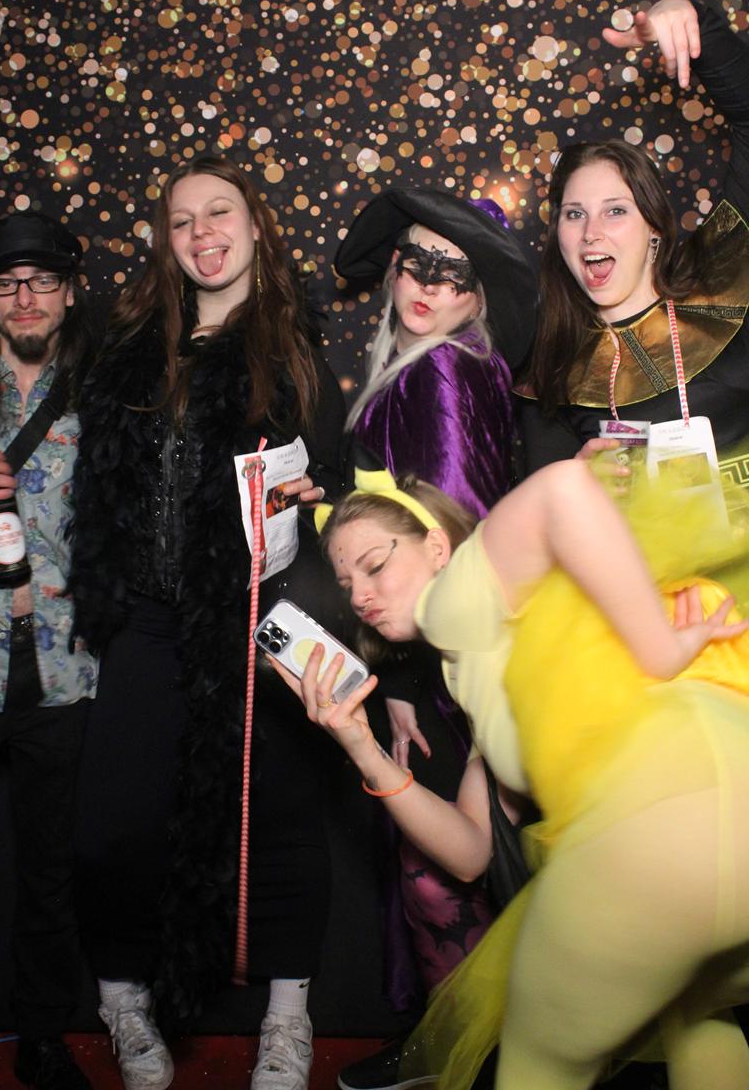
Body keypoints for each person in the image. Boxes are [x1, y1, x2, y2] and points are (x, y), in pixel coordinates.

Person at [271, 463, 749, 1090]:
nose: (359, 595)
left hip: (663, 833)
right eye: (346, 582)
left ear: (437, 547)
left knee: (537, 1064)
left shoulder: (451, 602)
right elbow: (471, 851)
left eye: (375, 566)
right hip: (728, 812)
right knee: (696, 1018)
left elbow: (563, 489)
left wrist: (658, 647)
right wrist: (360, 744)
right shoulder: (504, 658)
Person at [69, 154, 346, 1090]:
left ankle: (287, 1018)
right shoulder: (128, 343)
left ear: (255, 225)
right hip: (147, 621)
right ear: (166, 241)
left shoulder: (294, 352)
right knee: (114, 824)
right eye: (182, 220)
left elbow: (335, 483)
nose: (202, 234)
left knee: (281, 816)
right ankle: (121, 1000)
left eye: (218, 212)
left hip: (254, 615)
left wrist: (311, 494)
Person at [333, 190, 536, 1085]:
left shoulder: (443, 372)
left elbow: (454, 533)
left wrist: (410, 677)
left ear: (478, 294)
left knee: (451, 872)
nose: (429, 284)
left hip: (465, 658)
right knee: (455, 866)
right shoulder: (437, 365)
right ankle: (460, 1051)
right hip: (450, 656)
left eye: (454, 273)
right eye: (416, 262)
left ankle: (469, 1059)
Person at [0, 212, 98, 1090]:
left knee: (52, 870)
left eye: (43, 280)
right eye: (7, 284)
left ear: (70, 292)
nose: (26, 297)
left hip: (67, 667)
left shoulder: (111, 393)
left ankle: (44, 1036)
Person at [519, 0, 749, 479]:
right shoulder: (550, 369)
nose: (592, 232)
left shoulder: (725, 285)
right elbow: (542, 499)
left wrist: (693, 18)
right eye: (574, 214)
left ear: (654, 228)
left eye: (616, 211)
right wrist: (574, 483)